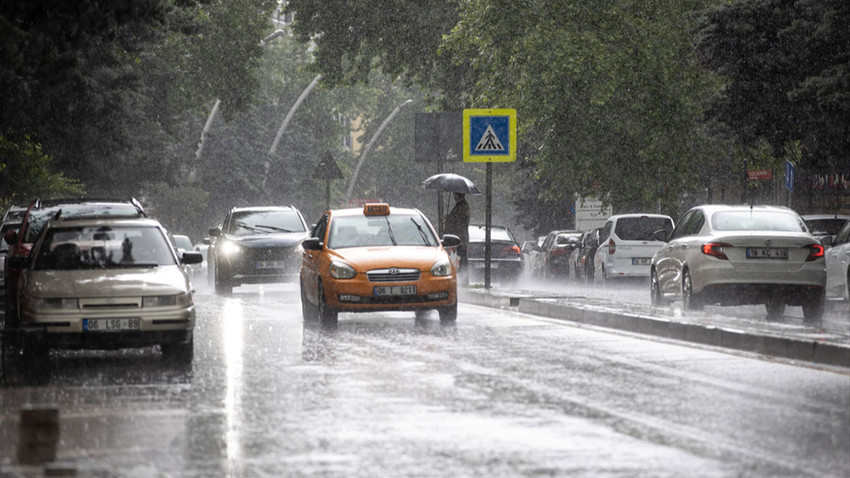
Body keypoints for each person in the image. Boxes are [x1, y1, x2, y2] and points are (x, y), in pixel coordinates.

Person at [444, 192, 470, 284]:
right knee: (459, 259)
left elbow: (461, 221)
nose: (453, 196)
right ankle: (461, 280)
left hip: (460, 239)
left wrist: (450, 219)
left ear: (458, 195)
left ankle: (463, 281)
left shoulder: (462, 206)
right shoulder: (460, 206)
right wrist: (449, 217)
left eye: (455, 194)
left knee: (461, 259)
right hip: (458, 238)